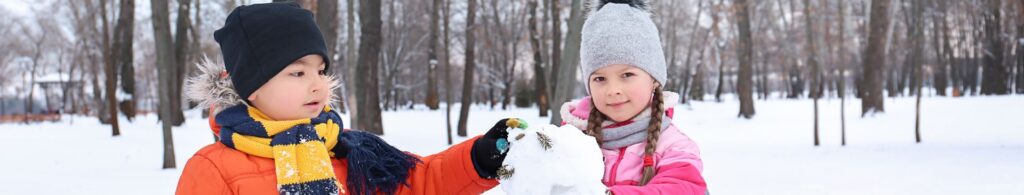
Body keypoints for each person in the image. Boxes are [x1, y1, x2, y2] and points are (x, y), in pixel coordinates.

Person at [175, 2, 512, 195]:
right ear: (252, 87)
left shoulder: (351, 150)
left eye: (321, 71)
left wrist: (479, 159)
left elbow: (421, 181)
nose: (318, 85)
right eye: (298, 73)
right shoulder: (213, 168)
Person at [558, 0, 707, 194]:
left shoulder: (674, 146)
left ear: (653, 79)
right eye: (600, 78)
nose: (613, 90)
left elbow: (682, 187)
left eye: (627, 75)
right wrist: (512, 152)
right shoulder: (569, 139)